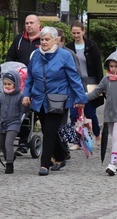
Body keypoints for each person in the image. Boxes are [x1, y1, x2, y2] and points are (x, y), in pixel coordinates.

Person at [22, 27, 87, 176]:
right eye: (42, 39)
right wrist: (26, 94)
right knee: (48, 130)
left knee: (50, 131)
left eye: (47, 39)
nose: (43, 42)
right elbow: (30, 77)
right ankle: (61, 156)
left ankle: (45, 164)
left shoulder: (65, 55)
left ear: (55, 40)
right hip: (39, 99)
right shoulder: (36, 56)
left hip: (58, 99)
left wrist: (80, 98)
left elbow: (74, 78)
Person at [7, 14, 41, 155]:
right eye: (27, 23)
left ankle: (24, 141)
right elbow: (10, 57)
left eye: (31, 23)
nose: (28, 25)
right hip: (19, 82)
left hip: (36, 82)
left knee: (28, 111)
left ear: (38, 24)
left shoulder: (44, 40)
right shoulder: (19, 40)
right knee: (15, 108)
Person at [66, 21, 104, 144]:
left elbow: (98, 66)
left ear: (83, 31)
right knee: (73, 113)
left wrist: (101, 85)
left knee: (89, 112)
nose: (76, 35)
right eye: (74, 33)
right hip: (74, 83)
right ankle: (76, 140)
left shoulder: (91, 46)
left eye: (78, 32)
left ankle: (97, 134)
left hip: (90, 82)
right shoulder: (68, 47)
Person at [0, 71, 27, 174]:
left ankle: (9, 164)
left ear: (16, 84)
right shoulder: (1, 96)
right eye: (5, 84)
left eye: (9, 84)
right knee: (1, 144)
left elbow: (23, 109)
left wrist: (26, 105)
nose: (7, 86)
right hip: (3, 123)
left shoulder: (20, 96)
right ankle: (11, 156)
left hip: (14, 123)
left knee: (8, 142)